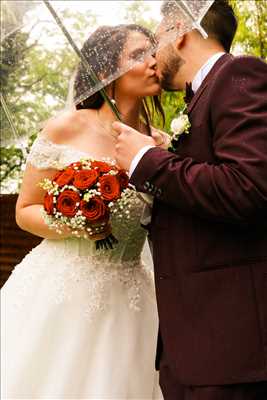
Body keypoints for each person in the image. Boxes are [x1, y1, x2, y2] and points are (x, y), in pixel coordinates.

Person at [113, 1, 267, 399]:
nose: (154, 51)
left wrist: (147, 161)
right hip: (194, 345)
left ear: (180, 29)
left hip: (233, 346)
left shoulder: (239, 75)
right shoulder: (198, 98)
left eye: (157, 36)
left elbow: (248, 188)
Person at [1, 24, 164, 399]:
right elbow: (25, 210)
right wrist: (74, 222)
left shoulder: (159, 144)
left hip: (134, 293)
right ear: (106, 72)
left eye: (152, 52)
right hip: (62, 286)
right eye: (138, 54)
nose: (154, 61)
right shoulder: (65, 129)